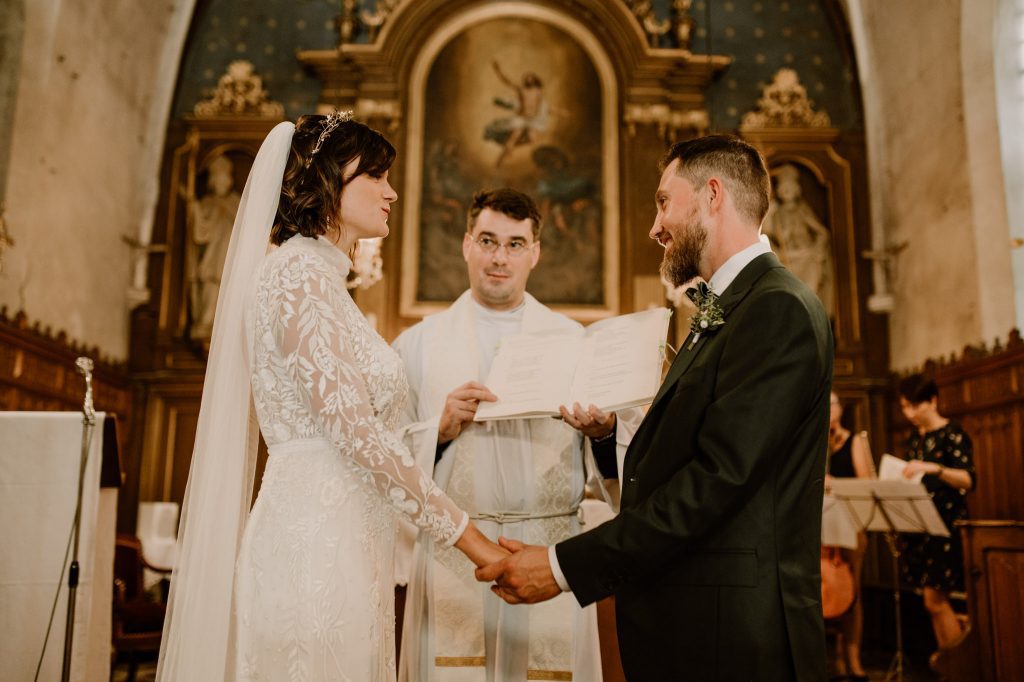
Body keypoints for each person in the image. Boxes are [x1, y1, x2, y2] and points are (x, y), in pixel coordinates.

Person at [157, 113, 505, 682]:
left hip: (346, 541)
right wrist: (467, 536)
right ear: (329, 179)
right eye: (377, 174)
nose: (392, 191)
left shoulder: (324, 284)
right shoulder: (295, 275)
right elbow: (356, 433)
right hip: (312, 546)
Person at [476, 135, 834, 681]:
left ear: (713, 195)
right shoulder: (728, 308)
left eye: (664, 201)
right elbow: (676, 461)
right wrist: (606, 434)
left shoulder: (775, 309)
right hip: (700, 627)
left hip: (735, 639)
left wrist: (560, 566)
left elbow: (714, 483)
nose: (654, 226)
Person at [393, 187, 639, 681]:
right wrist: (437, 432)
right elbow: (381, 455)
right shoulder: (417, 345)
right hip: (455, 555)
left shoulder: (574, 342)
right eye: (487, 241)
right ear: (466, 245)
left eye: (514, 244)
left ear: (535, 253)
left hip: (547, 555)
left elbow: (616, 464)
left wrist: (602, 432)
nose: (499, 258)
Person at [897, 374, 975, 650]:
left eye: (915, 406)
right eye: (905, 407)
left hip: (946, 526)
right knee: (931, 604)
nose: (910, 414)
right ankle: (948, 665)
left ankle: (959, 668)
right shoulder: (914, 439)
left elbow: (968, 479)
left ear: (932, 401)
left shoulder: (952, 432)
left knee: (936, 601)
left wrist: (936, 469)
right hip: (920, 528)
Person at [825, 391, 875, 681]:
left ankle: (852, 658)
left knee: (852, 595)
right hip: (822, 529)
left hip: (850, 525)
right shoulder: (817, 441)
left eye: (832, 404)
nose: (829, 410)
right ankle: (831, 658)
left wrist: (836, 484)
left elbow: (867, 484)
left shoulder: (854, 441)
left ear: (840, 409)